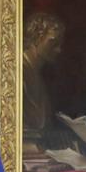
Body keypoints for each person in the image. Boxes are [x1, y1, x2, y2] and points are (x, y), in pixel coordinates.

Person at [21, 12, 69, 154]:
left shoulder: (38, 76)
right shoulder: (18, 71)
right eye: (52, 43)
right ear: (36, 38)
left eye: (59, 44)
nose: (58, 50)